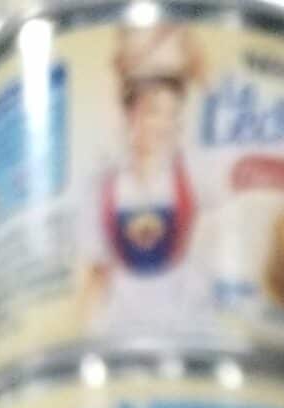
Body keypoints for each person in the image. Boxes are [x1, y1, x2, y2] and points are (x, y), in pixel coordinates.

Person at [82, 27, 215, 342]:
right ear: (132, 117)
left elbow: (212, 93)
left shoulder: (192, 173)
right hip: (121, 330)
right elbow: (95, 273)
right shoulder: (103, 185)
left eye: (172, 115)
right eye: (153, 113)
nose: (163, 125)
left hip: (186, 325)